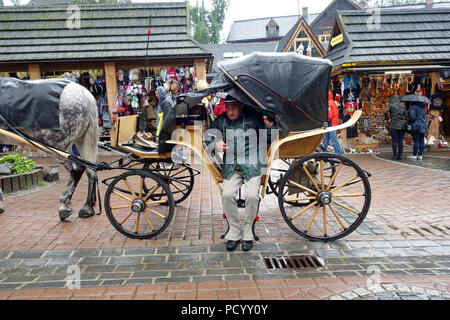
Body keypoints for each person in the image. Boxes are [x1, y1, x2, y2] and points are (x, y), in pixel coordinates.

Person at [208, 95, 276, 252]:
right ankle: (234, 232)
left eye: (233, 108)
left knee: (252, 196)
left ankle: (247, 233)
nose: (230, 112)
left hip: (252, 165)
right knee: (227, 195)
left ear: (241, 107)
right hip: (231, 166)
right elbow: (209, 136)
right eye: (228, 108)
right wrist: (215, 143)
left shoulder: (253, 118)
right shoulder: (221, 120)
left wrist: (270, 125)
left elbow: (270, 136)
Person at [384, 94, 408, 160]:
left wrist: (387, 119)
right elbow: (406, 115)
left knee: (394, 140)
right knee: (400, 140)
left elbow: (385, 112)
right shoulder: (403, 106)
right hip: (402, 125)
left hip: (394, 124)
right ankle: (400, 155)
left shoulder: (391, 105)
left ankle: (395, 155)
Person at [407, 90, 428, 160]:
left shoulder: (413, 107)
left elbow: (412, 117)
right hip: (423, 125)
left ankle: (414, 154)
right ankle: (420, 155)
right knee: (421, 140)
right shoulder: (423, 107)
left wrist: (409, 114)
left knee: (416, 140)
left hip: (416, 125)